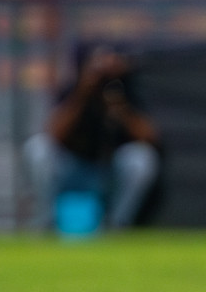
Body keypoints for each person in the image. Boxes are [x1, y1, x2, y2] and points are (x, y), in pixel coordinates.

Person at [24, 47, 161, 231]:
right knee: (37, 148)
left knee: (141, 158)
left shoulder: (126, 90)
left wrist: (119, 106)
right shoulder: (74, 90)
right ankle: (46, 224)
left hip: (108, 173)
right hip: (71, 170)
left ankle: (117, 227)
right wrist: (84, 92)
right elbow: (54, 133)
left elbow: (150, 137)